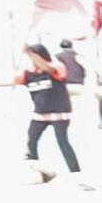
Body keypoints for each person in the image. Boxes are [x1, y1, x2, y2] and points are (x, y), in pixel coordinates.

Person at [17, 45, 80, 181]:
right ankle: (39, 172)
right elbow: (14, 80)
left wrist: (29, 52)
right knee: (31, 141)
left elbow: (48, 69)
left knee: (62, 141)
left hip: (59, 111)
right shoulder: (29, 72)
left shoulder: (57, 66)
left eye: (34, 56)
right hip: (40, 112)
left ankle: (76, 173)